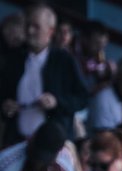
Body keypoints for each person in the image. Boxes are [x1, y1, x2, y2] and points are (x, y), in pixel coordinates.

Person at [0, 4, 88, 147]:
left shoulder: (64, 60)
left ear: (50, 31)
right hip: (17, 142)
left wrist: (56, 102)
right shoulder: (15, 59)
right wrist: (5, 105)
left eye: (36, 27)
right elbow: (3, 93)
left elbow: (82, 98)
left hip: (52, 146)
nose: (30, 31)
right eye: (28, 25)